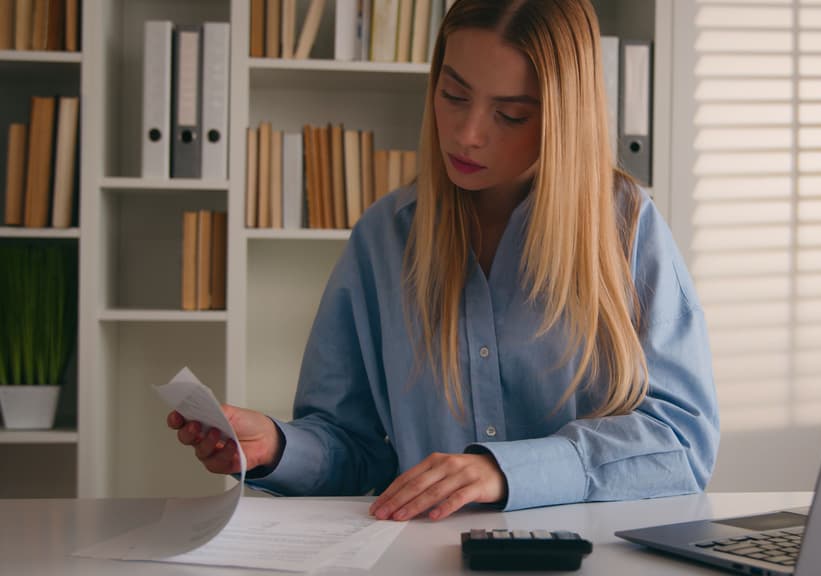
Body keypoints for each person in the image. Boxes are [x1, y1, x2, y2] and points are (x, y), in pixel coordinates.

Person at [168, 0, 718, 522]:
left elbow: (682, 445)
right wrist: (278, 446)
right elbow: (357, 450)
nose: (467, 134)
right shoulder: (383, 237)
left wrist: (504, 473)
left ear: (563, 120)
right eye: (453, 95)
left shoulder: (626, 228)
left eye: (509, 114)